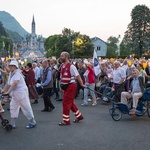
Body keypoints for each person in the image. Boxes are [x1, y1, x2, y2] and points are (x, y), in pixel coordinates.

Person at [1, 60, 36, 129]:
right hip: (15, 93)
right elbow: (8, 83)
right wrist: (3, 90)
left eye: (12, 66)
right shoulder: (12, 73)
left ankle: (32, 121)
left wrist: (7, 92)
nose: (10, 67)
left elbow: (14, 84)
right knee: (13, 107)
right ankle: (12, 123)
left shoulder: (17, 73)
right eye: (10, 66)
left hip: (21, 93)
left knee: (25, 107)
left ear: (16, 67)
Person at [59, 52, 85, 126]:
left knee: (66, 102)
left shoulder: (71, 66)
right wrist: (61, 87)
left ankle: (66, 121)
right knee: (70, 102)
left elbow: (78, 76)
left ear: (66, 57)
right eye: (61, 56)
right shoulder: (62, 66)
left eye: (62, 56)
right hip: (66, 86)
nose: (61, 57)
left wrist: (81, 84)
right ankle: (79, 116)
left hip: (71, 85)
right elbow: (62, 77)